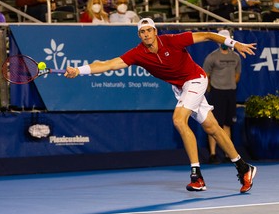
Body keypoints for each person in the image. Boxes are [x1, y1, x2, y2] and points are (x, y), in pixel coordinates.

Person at [64, 18, 257, 193]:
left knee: (179, 120)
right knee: (211, 127)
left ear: (155, 32)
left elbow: (207, 35)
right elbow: (109, 64)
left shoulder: (173, 40)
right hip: (181, 88)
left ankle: (196, 176)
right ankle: (243, 167)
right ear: (139, 35)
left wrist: (234, 43)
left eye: (149, 30)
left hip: (196, 80)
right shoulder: (138, 53)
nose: (146, 34)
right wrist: (78, 71)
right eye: (142, 32)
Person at [203, 29, 241, 165]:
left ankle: (227, 154)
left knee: (227, 124)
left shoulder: (236, 57)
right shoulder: (212, 57)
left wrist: (229, 84)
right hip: (216, 93)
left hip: (230, 92)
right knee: (213, 124)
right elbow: (206, 75)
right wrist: (211, 89)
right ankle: (213, 154)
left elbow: (237, 74)